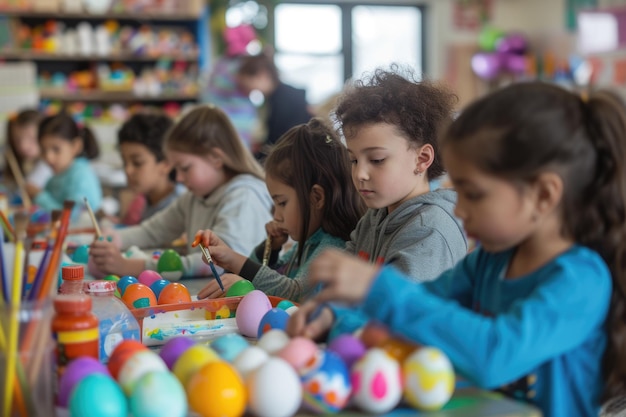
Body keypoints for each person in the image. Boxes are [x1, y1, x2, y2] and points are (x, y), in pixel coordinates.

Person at [290, 83, 626, 417]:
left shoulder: (581, 280)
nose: (460, 210)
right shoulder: (489, 261)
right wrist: (337, 317)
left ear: (543, 195)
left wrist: (376, 286)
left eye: (474, 194)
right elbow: (418, 311)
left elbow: (494, 355)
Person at [290, 67, 468, 337]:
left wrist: (330, 319)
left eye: (376, 160)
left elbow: (397, 317)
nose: (360, 173)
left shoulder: (430, 229)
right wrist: (323, 309)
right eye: (353, 159)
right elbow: (338, 290)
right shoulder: (373, 218)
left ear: (421, 159)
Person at [90, 105, 273, 279]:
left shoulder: (244, 196)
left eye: (185, 168)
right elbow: (154, 231)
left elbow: (218, 262)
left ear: (216, 158)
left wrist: (129, 266)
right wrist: (116, 239)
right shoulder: (195, 196)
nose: (178, 178)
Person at [194, 118, 365, 301]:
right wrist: (269, 250)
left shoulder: (334, 246)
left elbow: (296, 293)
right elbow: (276, 279)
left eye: (282, 203)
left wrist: (236, 260)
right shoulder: (308, 242)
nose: (276, 215)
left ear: (316, 197)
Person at [236, 50, 312, 159]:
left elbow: (278, 142)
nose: (247, 90)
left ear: (262, 75)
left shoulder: (285, 100)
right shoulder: (277, 97)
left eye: (248, 84)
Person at [116, 112, 185, 225]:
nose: (128, 170)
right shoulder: (145, 201)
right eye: (124, 162)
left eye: (137, 163)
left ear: (166, 163)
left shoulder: (181, 208)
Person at [34, 113, 101, 220]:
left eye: (56, 149)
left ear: (76, 146)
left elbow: (70, 218)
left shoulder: (81, 176)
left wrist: (39, 195)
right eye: (43, 150)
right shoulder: (54, 177)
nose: (48, 157)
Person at [3, 109, 52, 202]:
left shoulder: (48, 166)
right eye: (17, 140)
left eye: (31, 138)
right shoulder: (16, 162)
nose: (23, 146)